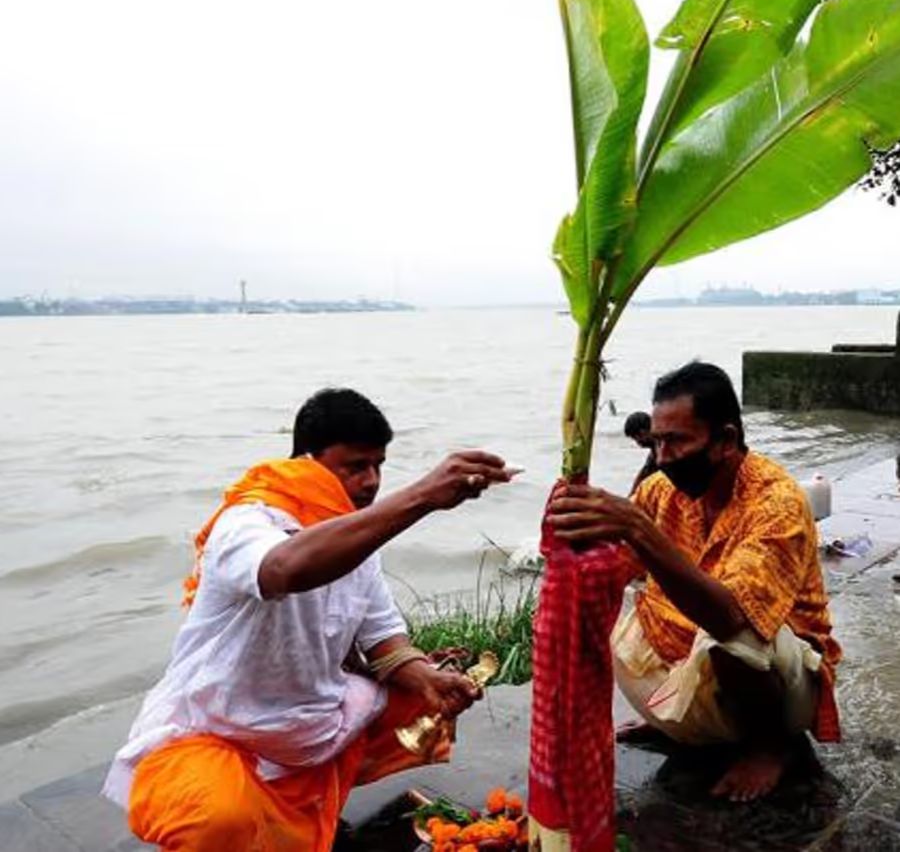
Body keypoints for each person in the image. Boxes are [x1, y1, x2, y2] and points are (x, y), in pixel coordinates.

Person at [103, 387, 514, 850]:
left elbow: (383, 639)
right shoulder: (246, 521)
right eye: (355, 466)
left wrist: (427, 678)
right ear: (306, 461)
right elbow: (284, 569)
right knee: (217, 820)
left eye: (378, 465)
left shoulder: (357, 538)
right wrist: (421, 497)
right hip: (218, 730)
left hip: (305, 721)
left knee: (421, 697)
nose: (371, 481)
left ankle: (306, 810)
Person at [548, 362, 842, 803]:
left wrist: (638, 529)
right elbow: (614, 569)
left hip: (782, 676)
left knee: (731, 639)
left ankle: (769, 748)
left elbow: (730, 617)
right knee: (605, 603)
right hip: (689, 654)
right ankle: (680, 713)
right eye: (658, 440)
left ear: (725, 440)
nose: (662, 458)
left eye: (678, 441)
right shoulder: (660, 491)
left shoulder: (777, 501)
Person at [624, 410, 658, 495]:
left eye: (636, 438)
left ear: (643, 431)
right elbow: (644, 473)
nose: (637, 442)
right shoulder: (655, 449)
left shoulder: (662, 446)